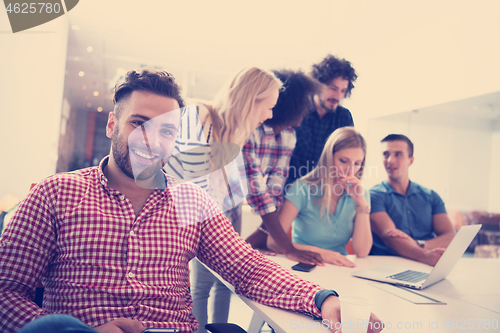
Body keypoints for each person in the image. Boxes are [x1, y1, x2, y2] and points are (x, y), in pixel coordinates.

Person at [0, 68, 358, 333]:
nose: (151, 140)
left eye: (167, 130)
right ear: (112, 125)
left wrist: (322, 298)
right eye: (137, 123)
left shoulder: (193, 201)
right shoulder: (54, 194)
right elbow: (6, 291)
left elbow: (249, 269)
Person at [162, 67, 321, 333]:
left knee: (225, 281)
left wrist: (262, 233)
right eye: (268, 107)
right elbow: (190, 182)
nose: (270, 115)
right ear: (251, 100)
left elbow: (244, 189)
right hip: (193, 217)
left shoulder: (238, 133)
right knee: (201, 284)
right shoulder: (202, 115)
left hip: (219, 212)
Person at [267, 127, 372, 266]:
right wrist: (320, 253)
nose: (350, 170)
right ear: (329, 158)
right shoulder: (301, 188)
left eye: (357, 163)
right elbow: (273, 242)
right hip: (305, 264)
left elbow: (362, 251)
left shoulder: (361, 194)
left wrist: (361, 204)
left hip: (339, 269)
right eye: (343, 161)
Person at [242, 69, 319, 252]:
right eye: (304, 102)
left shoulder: (289, 136)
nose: (308, 109)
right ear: (290, 103)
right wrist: (288, 247)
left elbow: (275, 188)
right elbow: (257, 191)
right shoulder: (251, 132)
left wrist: (263, 230)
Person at [369, 134, 456, 266]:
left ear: (411, 160)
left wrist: (418, 244)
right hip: (385, 266)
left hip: (425, 265)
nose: (390, 160)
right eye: (386, 154)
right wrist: (426, 255)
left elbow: (449, 236)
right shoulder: (374, 195)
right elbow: (390, 238)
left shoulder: (431, 196)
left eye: (398, 154)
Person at [287, 54, 358, 186]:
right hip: (290, 188)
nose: (337, 96)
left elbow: (349, 157)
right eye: (333, 88)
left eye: (343, 91)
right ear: (316, 84)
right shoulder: (296, 110)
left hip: (324, 193)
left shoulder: (344, 117)